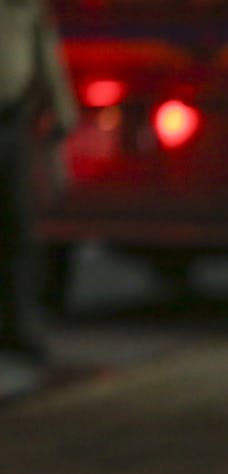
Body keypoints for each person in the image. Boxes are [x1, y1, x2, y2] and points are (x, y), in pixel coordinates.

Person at [0, 0, 76, 362]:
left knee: (17, 223)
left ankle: (17, 324)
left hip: (11, 116)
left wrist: (62, 109)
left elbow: (44, 47)